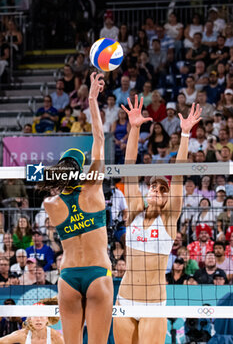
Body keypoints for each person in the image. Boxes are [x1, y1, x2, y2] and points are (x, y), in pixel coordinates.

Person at [113, 98, 202, 344]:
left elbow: (179, 175)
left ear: (166, 198)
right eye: (153, 186)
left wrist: (185, 135)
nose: (155, 190)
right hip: (124, 299)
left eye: (162, 189)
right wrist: (134, 128)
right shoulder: (134, 210)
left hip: (153, 304)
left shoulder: (169, 218)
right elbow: (128, 166)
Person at [42, 73, 113, 344]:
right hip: (97, 273)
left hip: (68, 276)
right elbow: (98, 138)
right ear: (80, 170)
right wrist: (92, 99)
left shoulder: (51, 205)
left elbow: (52, 184)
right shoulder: (93, 189)